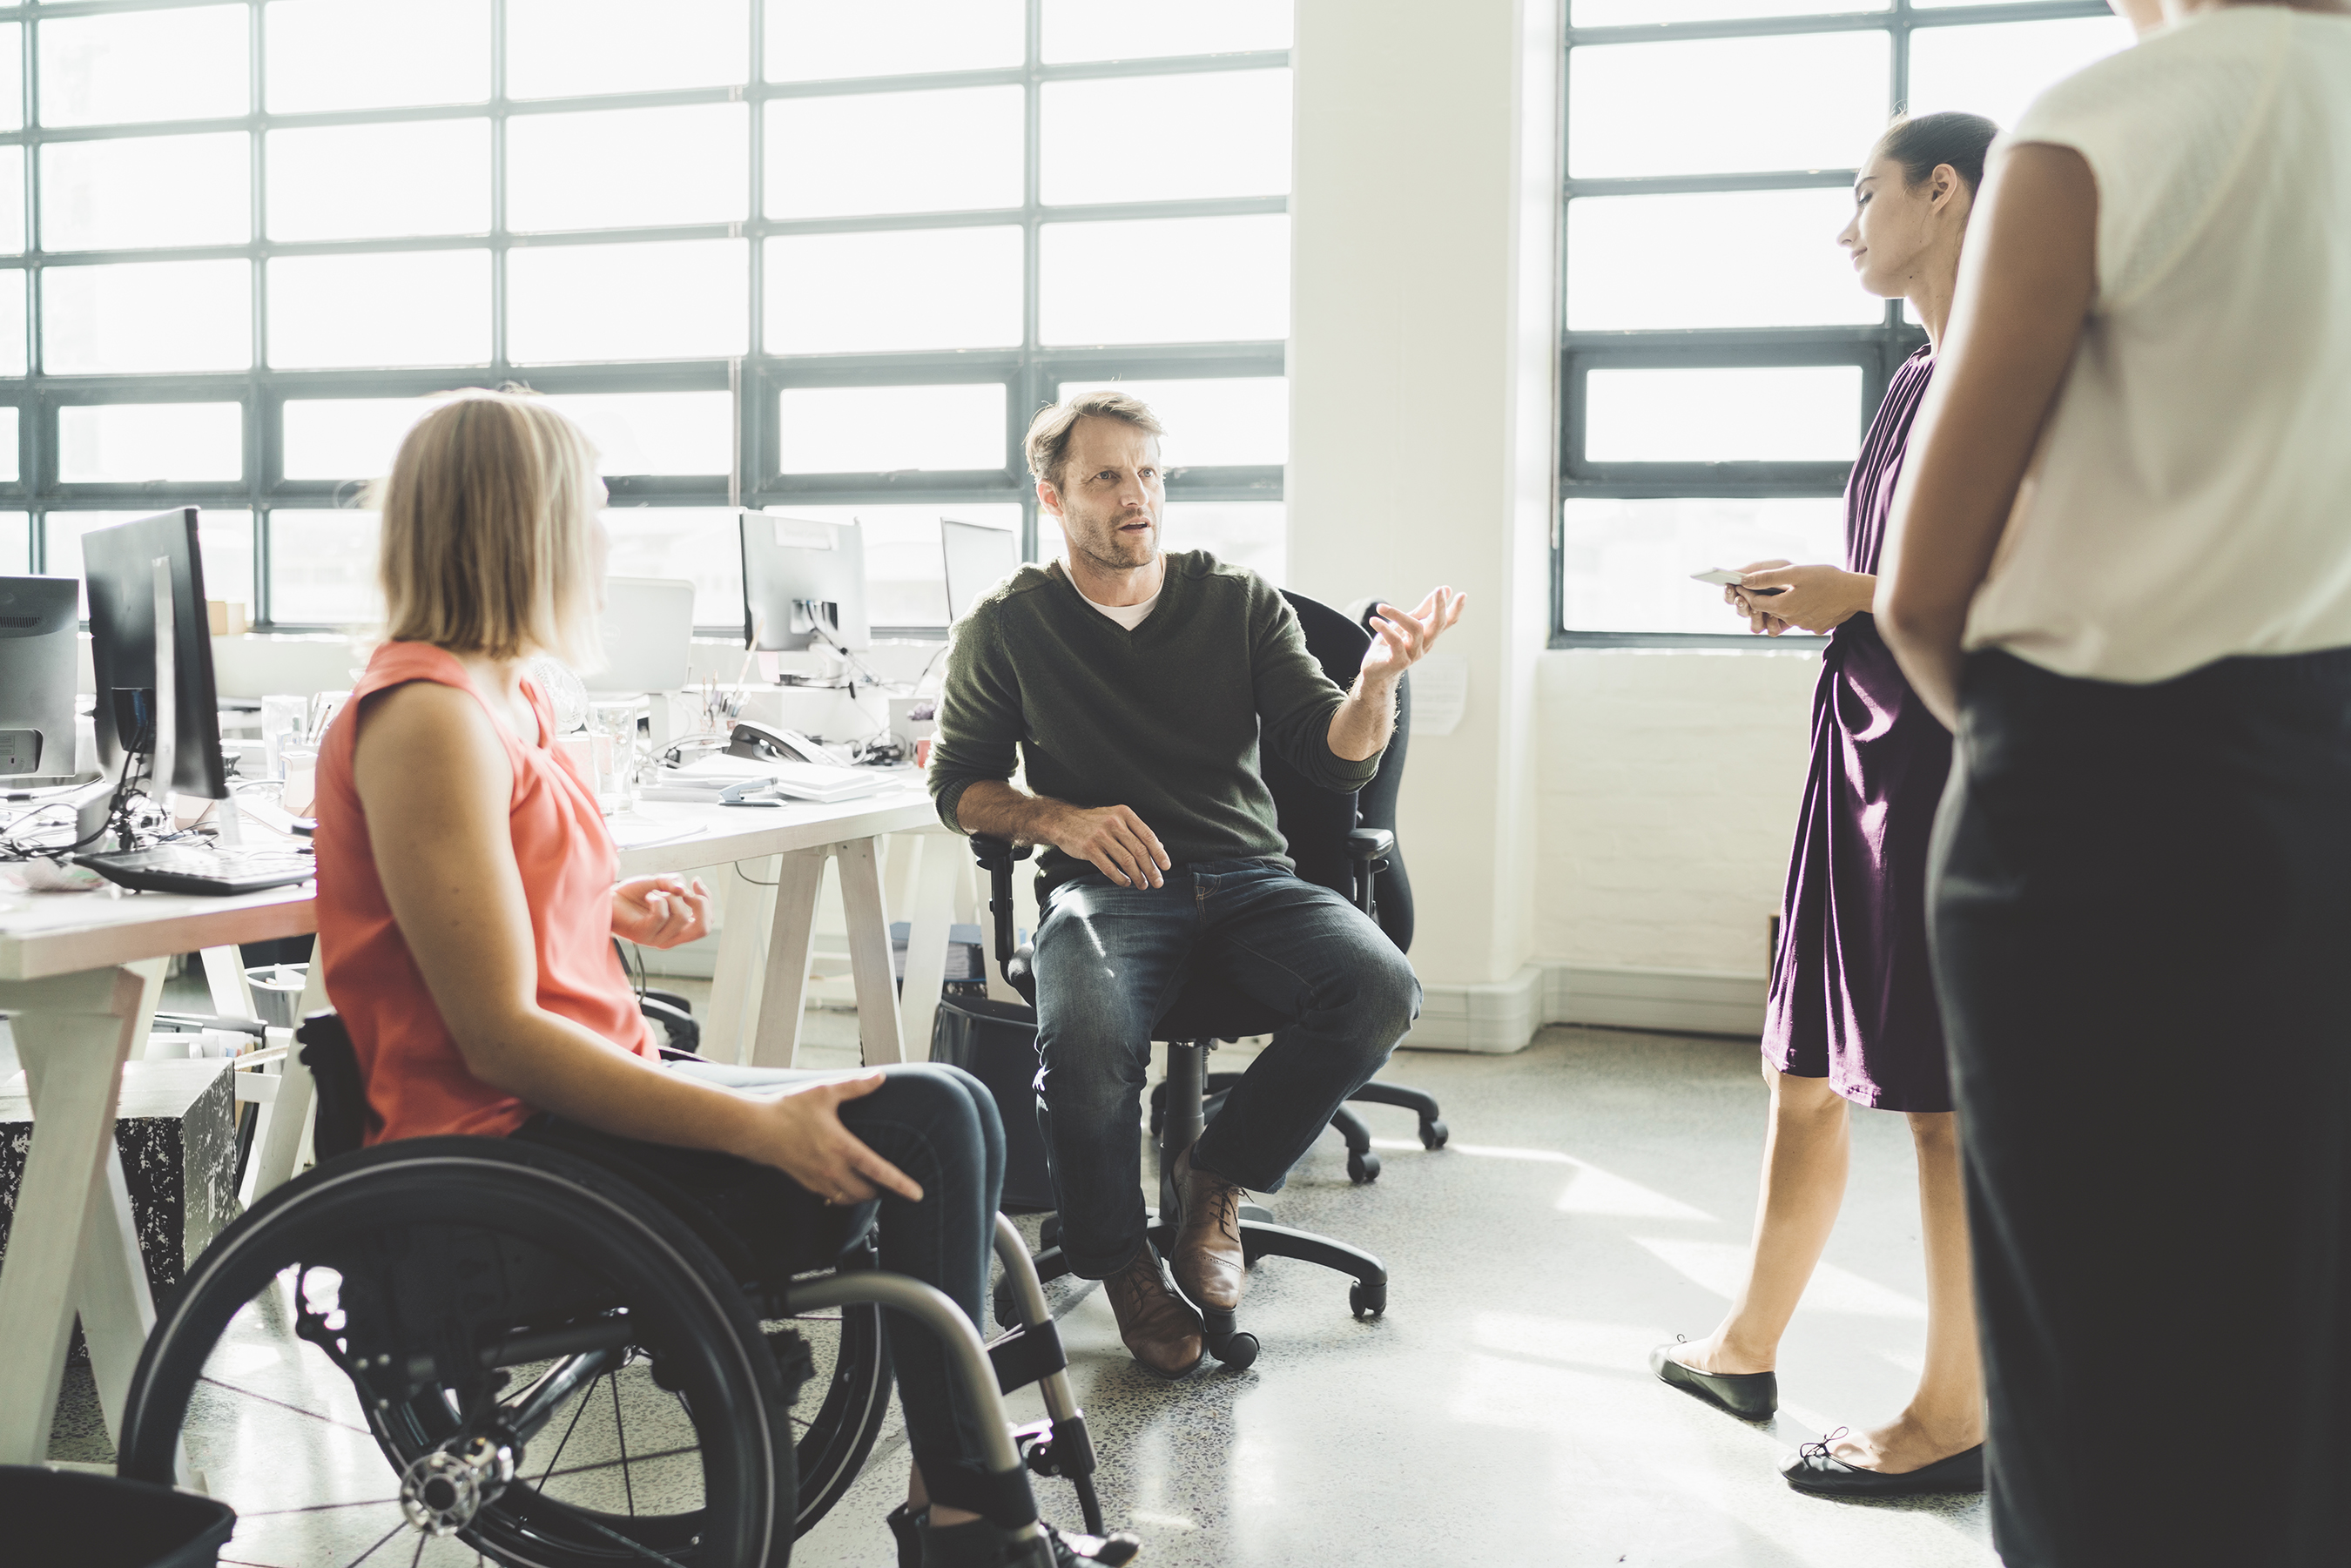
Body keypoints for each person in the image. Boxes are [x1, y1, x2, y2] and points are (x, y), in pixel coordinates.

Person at [310, 390, 1137, 1568]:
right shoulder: (427, 718)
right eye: (588, 513)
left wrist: (593, 906)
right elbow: (493, 1035)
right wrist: (755, 1130)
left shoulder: (501, 693)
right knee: (934, 1118)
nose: (602, 542)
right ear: (519, 525)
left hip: (569, 1107)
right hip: (503, 1147)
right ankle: (971, 1520)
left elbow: (471, 918)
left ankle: (966, 1507)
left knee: (946, 1112)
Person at [1875, 3, 2351, 1563]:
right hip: (2322, 770)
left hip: (2095, 804)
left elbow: (1920, 590)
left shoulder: (2114, 118)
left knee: (2098, 1348)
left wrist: (2024, 745)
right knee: (2303, 1321)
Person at [926, 391, 1462, 1377]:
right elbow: (956, 784)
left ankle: (1215, 1177)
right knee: (1083, 1037)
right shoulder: (1009, 625)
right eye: (1108, 477)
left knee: (1382, 985)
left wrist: (1376, 682)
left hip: (1252, 879)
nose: (1139, 497)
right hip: (1105, 890)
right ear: (1054, 498)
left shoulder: (1235, 600)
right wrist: (1060, 819)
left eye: (1150, 473)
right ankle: (1118, 1255)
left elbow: (1333, 755)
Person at [1649, 112, 2001, 1500]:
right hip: (1860, 749)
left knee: (1935, 1099)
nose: (1845, 224)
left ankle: (1956, 1408)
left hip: (1938, 760)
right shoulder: (1917, 379)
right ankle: (1744, 1342)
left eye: (1864, 195)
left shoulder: (2011, 373)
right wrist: (1827, 596)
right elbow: (1902, 575)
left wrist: (1856, 597)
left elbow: (2023, 597)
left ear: (1944, 188)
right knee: (1798, 1063)